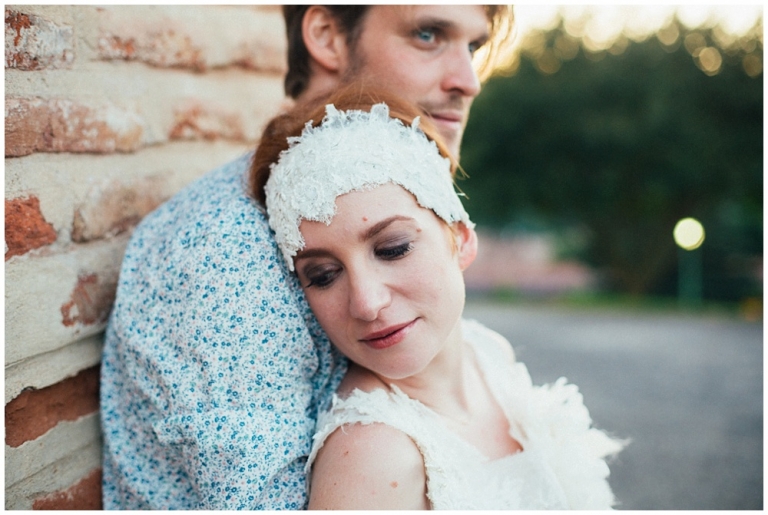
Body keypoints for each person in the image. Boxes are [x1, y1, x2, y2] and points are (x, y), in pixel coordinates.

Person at [100, 5, 514, 510]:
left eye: (473, 47)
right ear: (326, 35)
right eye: (427, 34)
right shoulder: (227, 249)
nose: (468, 80)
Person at [253, 87, 626, 510]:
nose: (366, 303)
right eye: (322, 275)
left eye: (393, 248)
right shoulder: (374, 455)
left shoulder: (488, 352)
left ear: (461, 239)